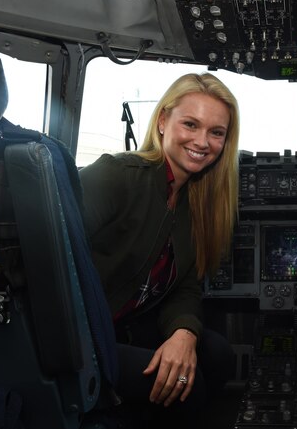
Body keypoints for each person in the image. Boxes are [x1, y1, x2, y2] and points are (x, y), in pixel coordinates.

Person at [79, 73, 239, 427]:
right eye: (190, 124)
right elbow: (48, 248)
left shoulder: (194, 202)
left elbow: (185, 286)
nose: (202, 141)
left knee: (218, 355)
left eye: (216, 132)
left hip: (126, 327)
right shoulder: (119, 176)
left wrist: (184, 333)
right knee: (187, 385)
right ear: (164, 121)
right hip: (80, 339)